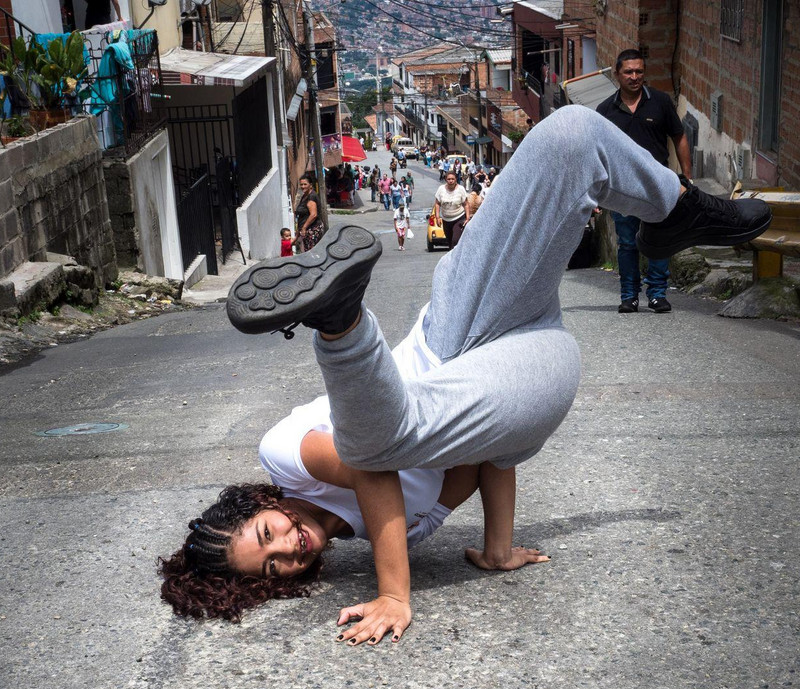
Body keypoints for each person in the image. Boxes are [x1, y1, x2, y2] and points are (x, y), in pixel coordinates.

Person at [161, 106, 771, 646]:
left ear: (260, 503)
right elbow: (483, 454)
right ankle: (341, 321)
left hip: (451, 328)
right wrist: (498, 546)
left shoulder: (284, 457)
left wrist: (394, 592)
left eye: (267, 532)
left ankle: (678, 206)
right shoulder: (407, 533)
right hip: (523, 360)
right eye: (272, 567)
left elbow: (369, 467)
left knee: (571, 137)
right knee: (517, 404)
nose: (286, 547)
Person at [597, 48, 693, 314]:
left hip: (657, 185)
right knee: (628, 242)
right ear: (617, 74)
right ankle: (629, 296)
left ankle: (657, 294)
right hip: (622, 189)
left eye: (639, 71)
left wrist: (687, 176)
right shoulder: (605, 110)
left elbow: (679, 136)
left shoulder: (660, 102)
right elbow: (597, 152)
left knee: (659, 239)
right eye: (628, 72)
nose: (634, 76)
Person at [433, 171, 470, 249]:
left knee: (455, 240)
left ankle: (456, 255)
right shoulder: (441, 189)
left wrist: (467, 218)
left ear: (456, 179)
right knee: (449, 242)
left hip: (459, 218)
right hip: (446, 219)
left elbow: (466, 204)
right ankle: (452, 256)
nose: (451, 181)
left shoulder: (461, 189)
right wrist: (437, 217)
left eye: (453, 179)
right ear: (446, 180)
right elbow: (437, 203)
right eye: (449, 179)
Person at [295, 174, 324, 251]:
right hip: (306, 230)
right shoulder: (305, 195)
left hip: (312, 229)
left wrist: (304, 228)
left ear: (310, 185)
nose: (303, 186)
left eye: (305, 184)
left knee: (312, 253)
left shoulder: (311, 197)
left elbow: (313, 215)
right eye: (301, 184)